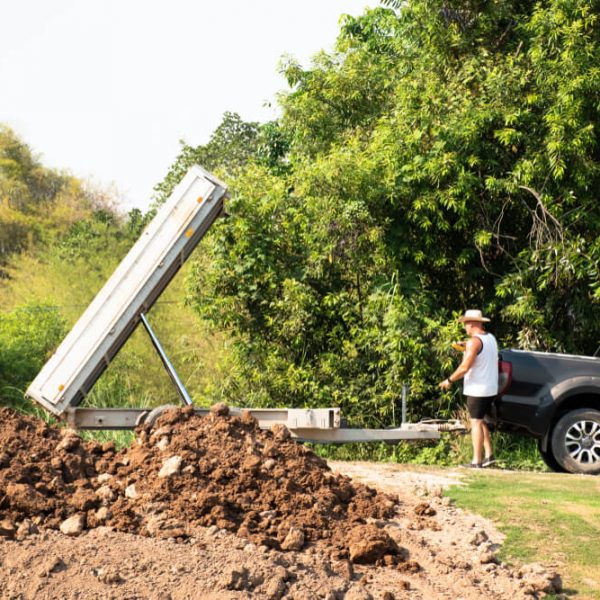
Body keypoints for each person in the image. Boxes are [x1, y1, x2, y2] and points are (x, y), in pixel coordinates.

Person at [439, 309, 498, 468]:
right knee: (483, 421)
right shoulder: (490, 338)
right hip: (490, 388)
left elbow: (465, 367)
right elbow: (480, 351)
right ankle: (489, 455)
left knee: (476, 423)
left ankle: (476, 461)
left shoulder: (474, 342)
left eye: (465, 323)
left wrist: (449, 380)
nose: (464, 327)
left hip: (478, 389)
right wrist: (465, 346)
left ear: (471, 324)